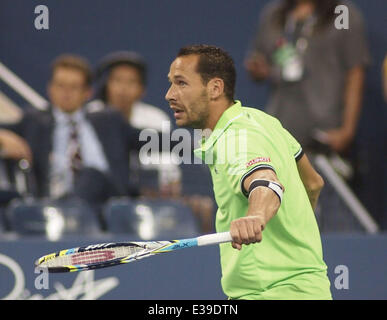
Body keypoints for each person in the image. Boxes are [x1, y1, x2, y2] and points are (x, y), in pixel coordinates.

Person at [165, 44, 332, 299]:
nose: (169, 94)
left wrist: (256, 216)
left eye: (181, 83)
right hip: (310, 288)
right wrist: (289, 233)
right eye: (171, 83)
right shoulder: (263, 120)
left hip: (271, 293)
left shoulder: (235, 138)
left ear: (215, 88)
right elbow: (313, 183)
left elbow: (266, 181)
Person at [0, 54, 149, 216]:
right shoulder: (33, 122)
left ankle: (69, 211)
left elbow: (157, 140)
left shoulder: (109, 121)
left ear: (88, 92)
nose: (66, 93)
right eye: (60, 86)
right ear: (50, 89)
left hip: (106, 211)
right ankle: (68, 211)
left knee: (92, 175)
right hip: (50, 209)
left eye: (73, 87)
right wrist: (2, 137)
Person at [87, 51, 215, 232]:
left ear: (142, 89)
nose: (123, 89)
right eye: (117, 81)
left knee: (200, 206)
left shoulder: (155, 118)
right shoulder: (93, 115)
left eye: (131, 82)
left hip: (149, 200)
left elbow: (167, 172)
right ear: (106, 85)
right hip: (104, 201)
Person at [245, 0, 370, 155]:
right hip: (280, 129)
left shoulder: (342, 14)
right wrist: (258, 68)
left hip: (324, 135)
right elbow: (259, 61)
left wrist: (347, 131)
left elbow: (355, 72)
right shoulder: (274, 14)